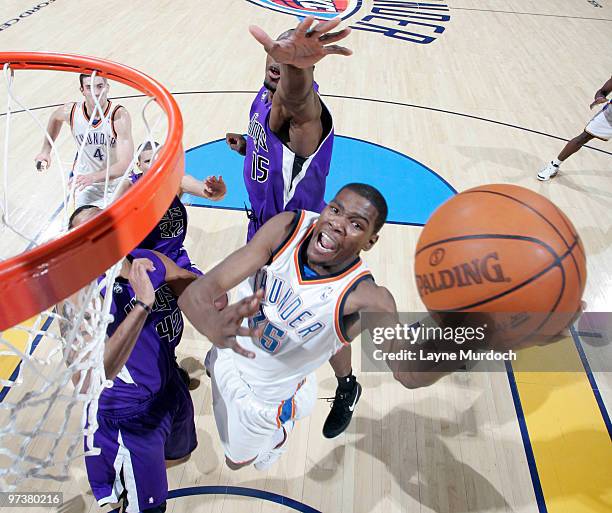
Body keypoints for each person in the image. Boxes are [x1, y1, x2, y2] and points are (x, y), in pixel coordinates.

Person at [179, 183, 409, 470]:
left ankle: (279, 436)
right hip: (230, 354)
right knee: (217, 371)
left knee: (236, 462)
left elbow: (407, 371)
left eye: (355, 224)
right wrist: (216, 329)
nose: (337, 224)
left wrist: (457, 344)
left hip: (264, 399)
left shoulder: (370, 299)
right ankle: (304, 386)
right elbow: (194, 296)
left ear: (370, 241)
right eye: (335, 210)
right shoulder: (288, 227)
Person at [225, 16, 360, 439]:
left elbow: (297, 110)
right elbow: (273, 143)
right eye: (278, 53)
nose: (279, 63)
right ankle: (268, 373)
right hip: (262, 231)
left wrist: (296, 70)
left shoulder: (306, 115)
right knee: (268, 311)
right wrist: (248, 147)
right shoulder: (262, 98)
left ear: (306, 67)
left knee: (320, 324)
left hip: (296, 242)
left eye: (293, 59)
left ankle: (346, 385)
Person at [67, 205, 201, 513]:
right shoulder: (81, 294)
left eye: (101, 224)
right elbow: (91, 376)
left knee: (181, 456)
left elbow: (195, 288)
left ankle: (133, 482)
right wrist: (141, 304)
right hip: (127, 415)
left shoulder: (150, 260)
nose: (96, 234)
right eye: (84, 232)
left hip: (169, 387)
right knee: (150, 508)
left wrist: (209, 292)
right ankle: (130, 489)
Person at [115, 141, 227, 274]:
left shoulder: (176, 181)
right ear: (139, 165)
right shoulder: (129, 187)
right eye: (147, 161)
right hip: (142, 260)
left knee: (207, 292)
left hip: (175, 259)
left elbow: (209, 193)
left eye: (158, 160)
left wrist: (217, 192)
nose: (153, 165)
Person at [35, 74, 134, 207]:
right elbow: (54, 118)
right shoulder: (72, 111)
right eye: (89, 87)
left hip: (116, 181)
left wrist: (94, 177)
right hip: (85, 181)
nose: (96, 92)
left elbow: (125, 164)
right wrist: (45, 151)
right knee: (83, 221)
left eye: (100, 86)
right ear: (82, 90)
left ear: (107, 87)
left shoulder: (119, 115)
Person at [538, 75, 612, 180]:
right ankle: (553, 165)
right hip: (610, 116)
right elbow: (603, 91)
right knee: (583, 138)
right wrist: (599, 98)